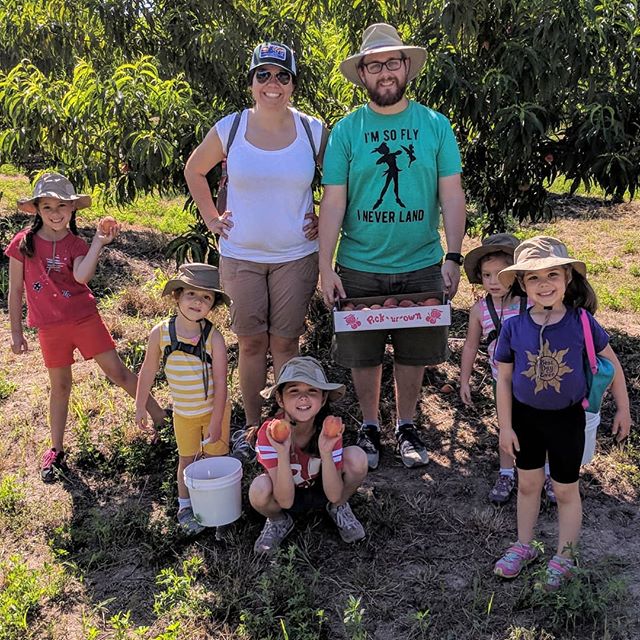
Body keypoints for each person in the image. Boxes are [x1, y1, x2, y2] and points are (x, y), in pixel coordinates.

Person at [319, 23, 466, 470]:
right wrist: (326, 267)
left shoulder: (435, 125)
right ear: (362, 74)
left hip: (422, 261)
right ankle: (368, 426)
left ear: (406, 68)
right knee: (363, 354)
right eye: (375, 65)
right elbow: (334, 201)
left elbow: (452, 194)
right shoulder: (347, 131)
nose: (385, 72)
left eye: (392, 63)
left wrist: (455, 254)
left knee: (414, 350)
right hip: (359, 263)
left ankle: (405, 425)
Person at [184, 42, 327, 462]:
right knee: (249, 344)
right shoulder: (230, 127)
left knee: (285, 343)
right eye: (262, 75)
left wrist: (325, 217)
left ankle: (290, 427)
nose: (272, 84)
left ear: (293, 84)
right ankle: (251, 427)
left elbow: (342, 181)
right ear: (250, 83)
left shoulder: (312, 131)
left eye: (282, 76)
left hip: (296, 255)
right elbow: (195, 169)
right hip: (241, 254)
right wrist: (212, 218)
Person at [5, 173, 166, 483]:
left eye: (61, 206)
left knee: (118, 373)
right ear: (37, 209)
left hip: (83, 319)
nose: (55, 213)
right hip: (50, 328)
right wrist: (15, 331)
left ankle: (161, 420)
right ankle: (56, 448)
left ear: (72, 209)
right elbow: (14, 291)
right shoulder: (23, 243)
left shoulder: (75, 243)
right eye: (47, 206)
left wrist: (98, 244)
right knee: (60, 386)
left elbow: (81, 277)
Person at [493, 236, 631, 589]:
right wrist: (505, 427)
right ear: (522, 283)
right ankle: (524, 546)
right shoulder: (513, 327)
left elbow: (612, 365)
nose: (544, 284)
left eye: (552, 274)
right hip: (526, 419)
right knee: (527, 485)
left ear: (567, 278)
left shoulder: (581, 322)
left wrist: (624, 410)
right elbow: (504, 380)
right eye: (534, 278)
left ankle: (564, 556)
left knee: (566, 489)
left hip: (568, 419)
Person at [135, 263, 231, 535]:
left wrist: (216, 420)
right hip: (183, 414)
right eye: (191, 294)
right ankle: (185, 506)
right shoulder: (161, 333)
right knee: (186, 461)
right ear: (177, 296)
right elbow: (148, 369)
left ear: (212, 305)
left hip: (215, 411)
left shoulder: (215, 338)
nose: (198, 302)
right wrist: (140, 405)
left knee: (217, 459)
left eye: (206, 297)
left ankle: (220, 510)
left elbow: (222, 383)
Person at [249, 356, 368, 556]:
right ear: (280, 399)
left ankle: (337, 509)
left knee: (357, 457)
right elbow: (285, 501)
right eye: (294, 391)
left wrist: (326, 451)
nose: (303, 398)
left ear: (322, 399)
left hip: (325, 490)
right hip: (286, 494)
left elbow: (333, 493)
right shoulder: (269, 433)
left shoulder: (329, 428)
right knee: (259, 490)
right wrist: (282, 452)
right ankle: (279, 521)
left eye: (312, 391)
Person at [460, 233, 531, 504]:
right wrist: (464, 380)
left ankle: (547, 472)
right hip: (500, 380)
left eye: (500, 274)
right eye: (487, 275)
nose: (493, 281)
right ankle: (506, 472)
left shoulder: (531, 303)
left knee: (539, 426)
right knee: (506, 426)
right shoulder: (480, 309)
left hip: (533, 380)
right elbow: (469, 346)